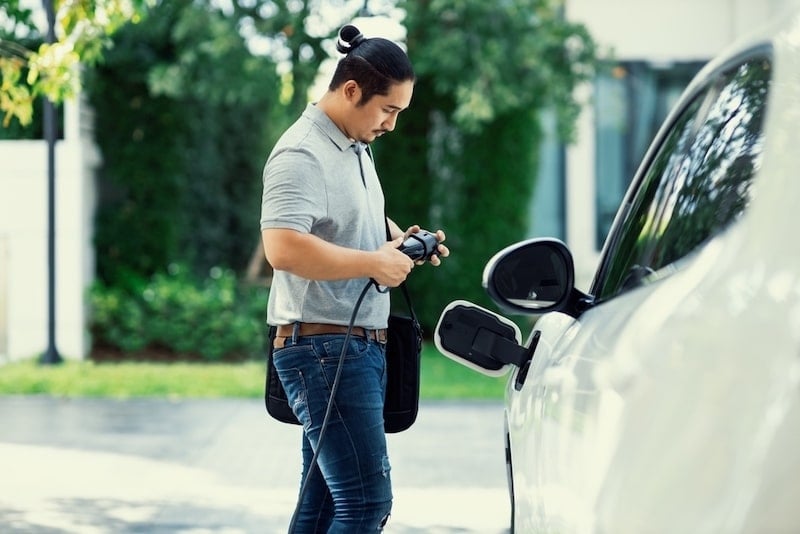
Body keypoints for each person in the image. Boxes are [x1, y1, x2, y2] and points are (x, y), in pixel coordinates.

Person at [259, 24, 449, 533]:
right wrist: (371, 263)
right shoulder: (302, 153)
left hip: (351, 348)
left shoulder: (355, 146)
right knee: (366, 503)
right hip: (323, 351)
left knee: (321, 507)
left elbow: (348, 224)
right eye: (388, 110)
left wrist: (400, 241)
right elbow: (282, 246)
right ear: (350, 91)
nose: (391, 124)